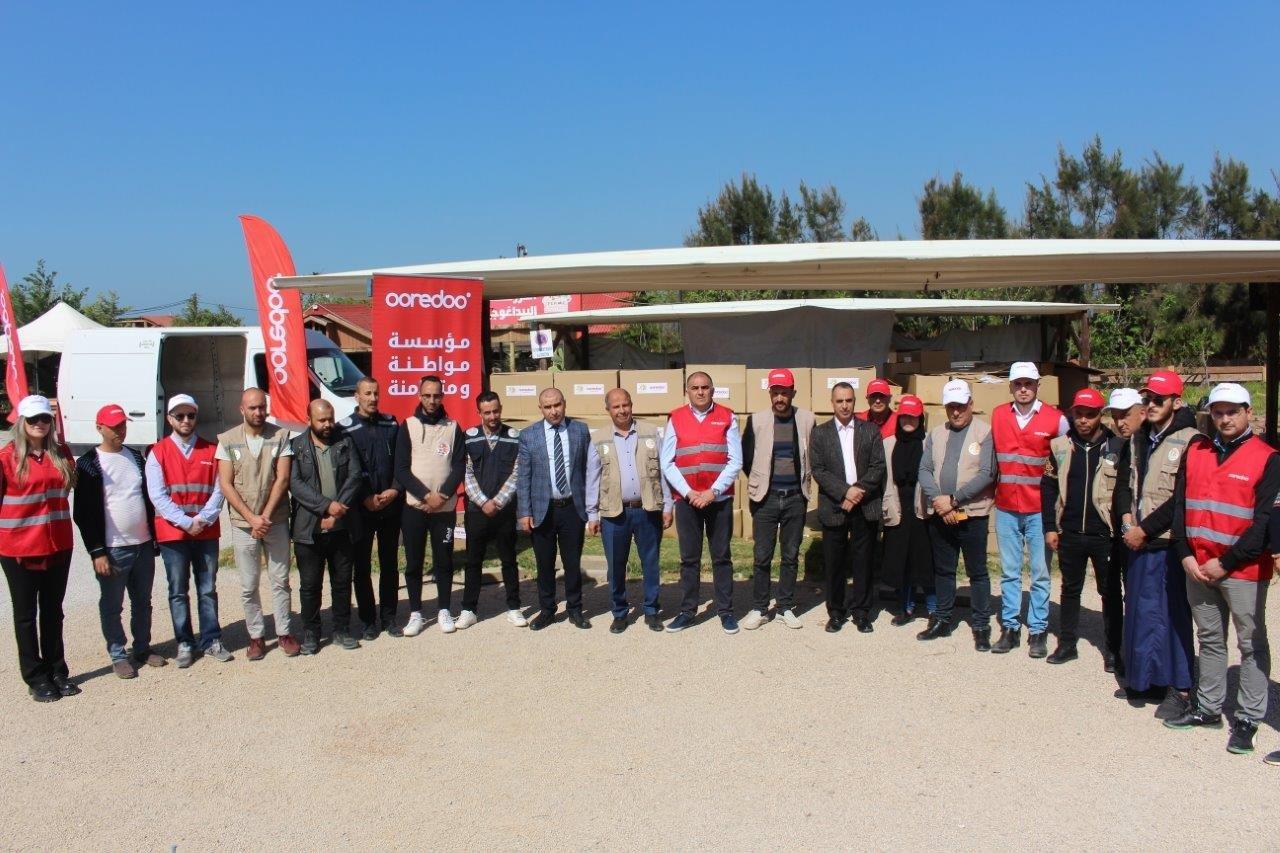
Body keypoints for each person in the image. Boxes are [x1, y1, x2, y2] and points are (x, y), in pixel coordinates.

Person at [1163, 383, 1279, 756]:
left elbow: (1264, 523)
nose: (1225, 419)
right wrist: (1184, 553)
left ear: (1248, 412)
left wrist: (1225, 562)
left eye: (1232, 411)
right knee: (1210, 639)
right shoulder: (1197, 450)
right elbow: (1180, 506)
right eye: (1218, 412)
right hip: (1198, 566)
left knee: (1251, 644)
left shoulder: (1267, 458)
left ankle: (1247, 719)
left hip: (1242, 570)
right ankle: (1209, 708)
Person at [1117, 370, 1199, 718]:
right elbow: (1125, 483)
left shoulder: (1191, 441)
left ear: (1176, 402)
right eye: (1147, 398)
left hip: (1166, 542)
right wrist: (1126, 520)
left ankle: (1179, 688)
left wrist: (1145, 530)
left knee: (1171, 616)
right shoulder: (1140, 438)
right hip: (1138, 540)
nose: (1150, 404)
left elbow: (1181, 498)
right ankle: (1146, 678)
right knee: (1141, 611)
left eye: (1158, 399)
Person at [72, 403, 164, 679]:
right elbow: (83, 513)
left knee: (143, 602)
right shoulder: (88, 463)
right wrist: (96, 551)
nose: (120, 431)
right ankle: (118, 654)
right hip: (112, 549)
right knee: (112, 605)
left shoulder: (135, 457)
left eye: (123, 425)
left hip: (142, 544)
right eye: (114, 427)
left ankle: (143, 648)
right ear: (99, 428)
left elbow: (148, 496)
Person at [0, 396, 78, 701]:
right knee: (25, 615)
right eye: (33, 419)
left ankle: (57, 670)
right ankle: (35, 677)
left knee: (53, 611)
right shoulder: (7, 458)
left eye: (45, 418)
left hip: (58, 544)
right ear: (22, 422)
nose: (40, 424)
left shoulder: (61, 454)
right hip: (19, 548)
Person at [146, 394, 229, 668]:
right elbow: (157, 495)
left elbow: (220, 489)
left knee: (207, 589)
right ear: (170, 419)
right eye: (179, 416)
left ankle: (211, 639)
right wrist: (185, 522)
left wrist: (202, 519)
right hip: (173, 534)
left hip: (206, 531)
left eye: (190, 415)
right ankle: (184, 642)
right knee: (178, 591)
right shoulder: (158, 452)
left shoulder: (212, 450)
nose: (185, 420)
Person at [991, 361, 1068, 657]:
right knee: (1010, 571)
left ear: (1038, 386)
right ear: (1011, 387)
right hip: (1007, 506)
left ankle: (1038, 630)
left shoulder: (1056, 420)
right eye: (1018, 384)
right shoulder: (999, 415)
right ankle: (1010, 627)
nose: (1023, 389)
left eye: (1029, 384)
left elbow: (1066, 461)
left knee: (1040, 572)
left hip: (1039, 509)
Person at [216, 388, 299, 660]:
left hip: (275, 520)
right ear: (242, 409)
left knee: (280, 579)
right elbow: (226, 484)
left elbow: (282, 478)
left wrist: (264, 516)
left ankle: (284, 632)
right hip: (244, 523)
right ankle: (256, 637)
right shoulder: (227, 440)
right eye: (252, 407)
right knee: (248, 584)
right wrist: (252, 518)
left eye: (262, 407)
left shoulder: (281, 436)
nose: (258, 412)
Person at [1042, 388, 1120, 666]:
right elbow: (1049, 488)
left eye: (1090, 414)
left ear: (1101, 415)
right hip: (1071, 531)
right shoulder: (1059, 446)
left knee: (1110, 591)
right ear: (1072, 414)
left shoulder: (1116, 446)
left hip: (1104, 533)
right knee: (1070, 589)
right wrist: (1050, 527)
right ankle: (1067, 644)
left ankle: (1114, 648)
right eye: (1079, 414)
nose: (1084, 420)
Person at [916, 380, 997, 650]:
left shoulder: (984, 432)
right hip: (941, 513)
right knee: (944, 569)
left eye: (961, 406)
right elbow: (924, 469)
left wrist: (953, 501)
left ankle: (981, 624)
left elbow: (986, 474)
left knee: (977, 572)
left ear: (970, 404)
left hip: (972, 514)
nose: (956, 412)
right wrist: (939, 501)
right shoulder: (936, 434)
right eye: (951, 406)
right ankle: (943, 618)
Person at [660, 372, 742, 634]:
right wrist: (689, 493)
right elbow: (667, 462)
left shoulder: (728, 417)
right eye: (695, 388)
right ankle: (687, 611)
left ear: (712, 390)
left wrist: (712, 492)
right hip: (687, 501)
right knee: (689, 559)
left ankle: (726, 611)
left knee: (722, 557)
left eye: (705, 387)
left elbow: (736, 461)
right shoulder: (675, 418)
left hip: (719, 500)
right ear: (687, 391)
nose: (700, 392)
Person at [517, 387, 600, 630]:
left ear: (564, 403)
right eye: (548, 407)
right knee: (544, 563)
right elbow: (523, 476)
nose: (553, 411)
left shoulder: (580, 430)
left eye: (557, 405)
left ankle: (575, 609)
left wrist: (592, 509)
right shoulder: (529, 435)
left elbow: (588, 470)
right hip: (542, 510)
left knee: (572, 563)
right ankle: (547, 610)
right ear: (540, 408)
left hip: (572, 508)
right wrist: (524, 511)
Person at [740, 368, 815, 630]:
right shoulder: (757, 420)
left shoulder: (807, 419)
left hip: (796, 498)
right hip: (766, 499)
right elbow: (746, 458)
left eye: (784, 392)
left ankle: (785, 607)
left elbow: (812, 456)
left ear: (793, 393)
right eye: (775, 392)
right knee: (762, 556)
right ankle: (760, 608)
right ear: (769, 393)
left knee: (790, 555)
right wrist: (762, 482)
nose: (780, 397)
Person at [289, 399, 366, 654]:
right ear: (308, 419)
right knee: (310, 585)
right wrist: (325, 506)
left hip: (342, 527)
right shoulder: (296, 446)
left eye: (330, 419)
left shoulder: (345, 442)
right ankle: (311, 633)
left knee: (341, 582)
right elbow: (295, 484)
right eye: (321, 420)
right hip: (308, 530)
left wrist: (337, 509)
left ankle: (341, 630)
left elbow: (355, 476)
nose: (327, 424)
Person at [809, 381, 886, 633]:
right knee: (835, 562)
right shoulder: (820, 433)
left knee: (863, 561)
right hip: (835, 505)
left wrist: (857, 491)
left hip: (865, 504)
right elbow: (818, 470)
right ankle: (836, 612)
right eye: (840, 401)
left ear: (855, 402)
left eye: (849, 400)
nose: (844, 405)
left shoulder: (870, 430)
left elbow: (878, 466)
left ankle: (862, 612)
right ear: (832, 403)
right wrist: (845, 491)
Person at [594, 388, 672, 633]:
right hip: (614, 513)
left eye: (625, 404)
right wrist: (591, 513)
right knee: (616, 566)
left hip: (648, 510)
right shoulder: (598, 438)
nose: (622, 410)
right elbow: (591, 478)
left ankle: (651, 611)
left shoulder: (650, 432)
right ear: (608, 410)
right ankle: (619, 613)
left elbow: (664, 471)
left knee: (651, 563)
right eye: (616, 406)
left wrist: (668, 505)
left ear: (631, 404)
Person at [395, 375, 466, 636]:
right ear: (419, 396)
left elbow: (459, 466)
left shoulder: (453, 427)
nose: (432, 400)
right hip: (415, 508)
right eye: (427, 395)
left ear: (442, 396)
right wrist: (426, 496)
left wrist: (442, 496)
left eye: (436, 395)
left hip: (444, 510)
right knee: (414, 562)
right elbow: (401, 469)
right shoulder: (408, 426)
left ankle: (444, 609)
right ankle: (416, 612)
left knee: (444, 561)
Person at [340, 377, 404, 638]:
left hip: (390, 506)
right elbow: (346, 470)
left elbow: (401, 461)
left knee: (390, 564)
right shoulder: (345, 428)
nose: (373, 398)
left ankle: (389, 618)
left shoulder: (391, 423)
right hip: (361, 508)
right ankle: (367, 620)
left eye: (376, 393)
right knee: (362, 566)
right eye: (367, 393)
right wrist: (365, 496)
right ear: (357, 396)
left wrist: (395, 489)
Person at [460, 391, 525, 628]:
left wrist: (497, 502)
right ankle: (468, 609)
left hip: (504, 511)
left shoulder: (514, 437)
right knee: (473, 561)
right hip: (477, 511)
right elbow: (466, 473)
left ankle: (514, 608)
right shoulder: (469, 438)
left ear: (501, 409)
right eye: (487, 412)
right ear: (479, 413)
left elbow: (517, 472)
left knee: (509, 560)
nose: (492, 416)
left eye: (495, 411)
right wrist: (483, 501)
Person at [880, 395, 934, 625]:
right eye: (904, 417)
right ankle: (906, 606)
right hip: (898, 507)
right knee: (901, 560)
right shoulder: (889, 443)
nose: (908, 421)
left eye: (913, 416)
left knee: (927, 560)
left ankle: (933, 608)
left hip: (923, 508)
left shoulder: (929, 442)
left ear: (920, 418)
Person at [1101, 387, 1144, 674]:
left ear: (1142, 411)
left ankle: (1139, 658)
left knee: (1139, 598)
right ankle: (1117, 650)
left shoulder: (1149, 444)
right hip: (1119, 532)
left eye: (1126, 415)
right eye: (1116, 416)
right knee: (1113, 594)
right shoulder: (1120, 445)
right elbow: (1120, 489)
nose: (1120, 422)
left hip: (1145, 535)